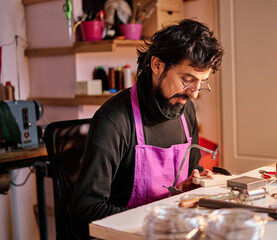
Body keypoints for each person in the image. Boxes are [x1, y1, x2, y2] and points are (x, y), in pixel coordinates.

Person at [70, 18, 224, 238]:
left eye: (202, 83)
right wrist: (162, 218)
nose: (194, 94)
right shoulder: (114, 121)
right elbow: (85, 212)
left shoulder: (184, 111)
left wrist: (192, 184)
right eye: (187, 79)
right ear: (157, 65)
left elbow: (192, 171)